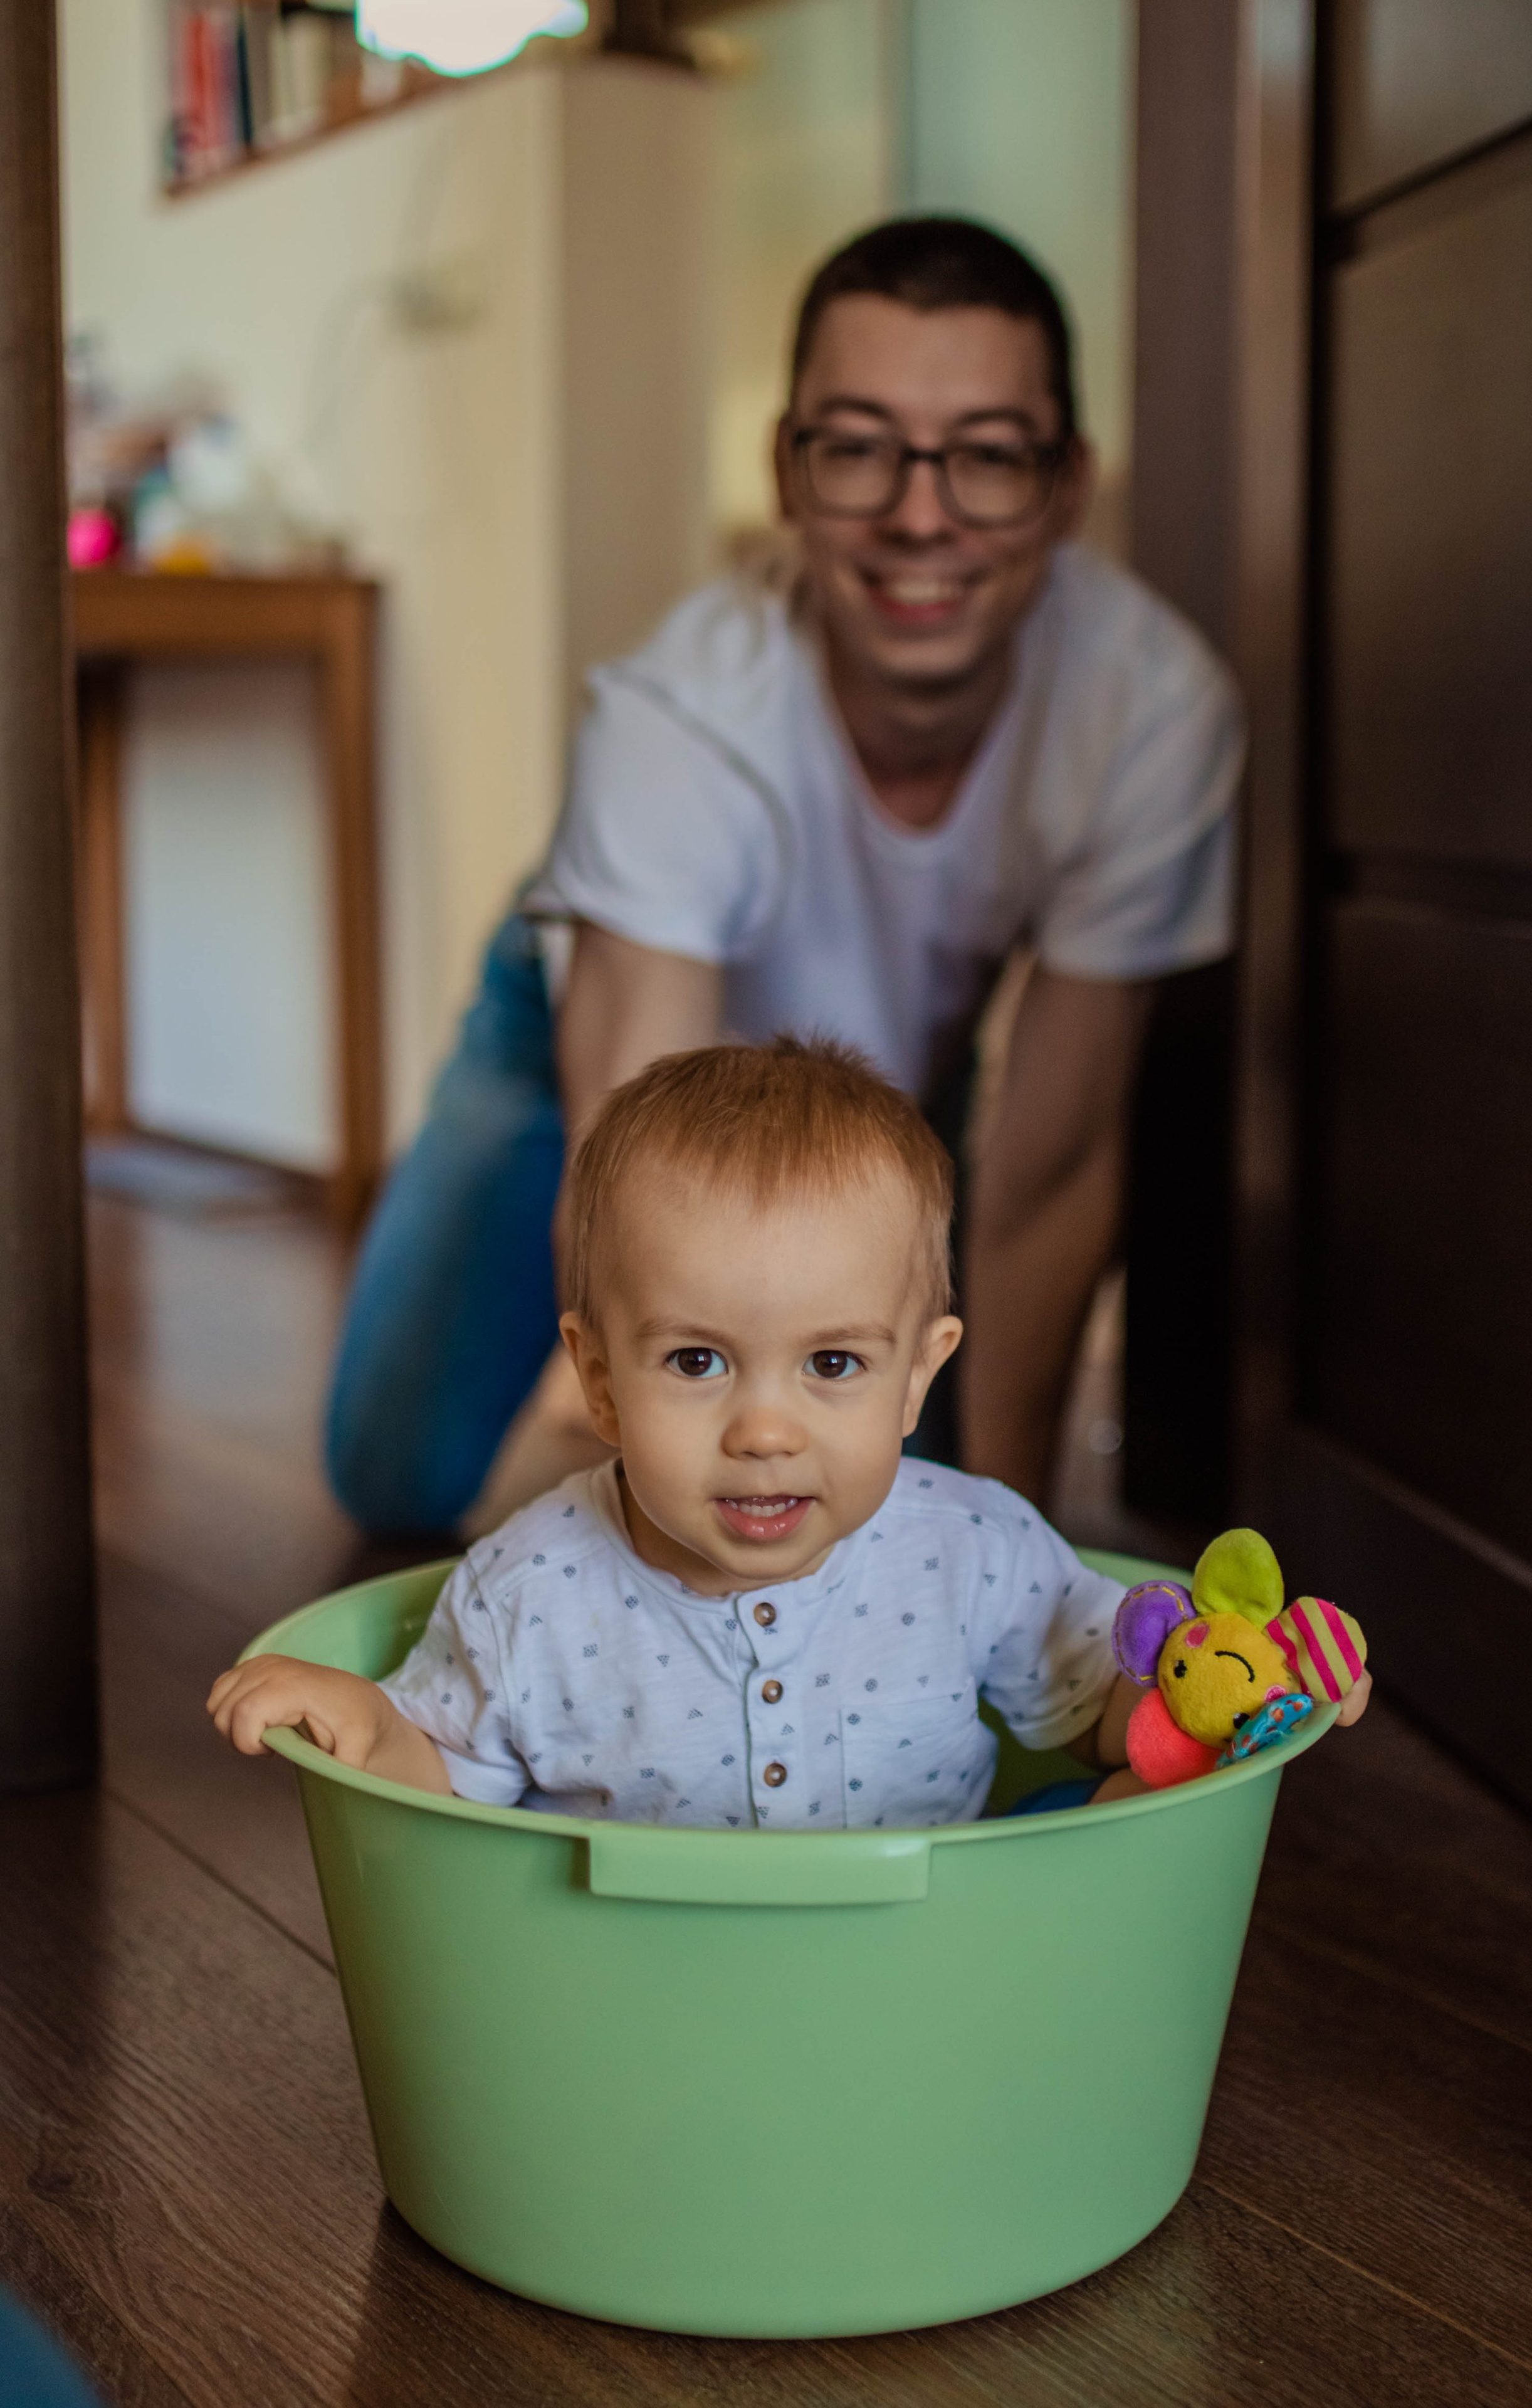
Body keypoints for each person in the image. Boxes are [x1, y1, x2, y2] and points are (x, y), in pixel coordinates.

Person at [325, 216, 1243, 1537]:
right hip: (590, 1045)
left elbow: (1051, 1167)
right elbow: (637, 1175)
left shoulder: (1151, 711)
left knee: (911, 1459)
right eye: (858, 449)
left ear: (1064, 483)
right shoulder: (674, 718)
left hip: (876, 1072)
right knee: (396, 1474)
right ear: (786, 470)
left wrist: (996, 1564)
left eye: (985, 456)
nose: (918, 516)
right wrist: (669, 1573)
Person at [214, 1038, 1150, 1822]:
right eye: (697, 1361)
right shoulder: (533, 1589)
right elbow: (445, 1794)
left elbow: (1101, 1703)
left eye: (832, 1364)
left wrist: (1191, 1697)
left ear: (915, 1380)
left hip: (926, 1971)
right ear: (601, 1381)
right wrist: (372, 1727)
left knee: (1122, 1802)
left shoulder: (975, 1548)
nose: (765, 1432)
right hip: (643, 1996)